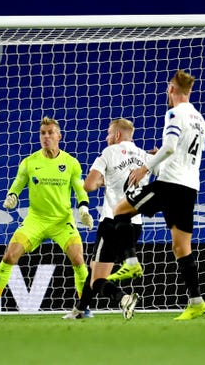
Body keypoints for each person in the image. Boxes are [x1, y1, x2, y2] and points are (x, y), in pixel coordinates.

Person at [0, 116, 94, 319]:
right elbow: (18, 182)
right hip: (35, 220)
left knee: (79, 260)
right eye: (42, 133)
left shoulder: (71, 163)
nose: (46, 137)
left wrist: (84, 209)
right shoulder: (29, 162)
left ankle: (83, 308)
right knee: (9, 256)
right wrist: (12, 195)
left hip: (62, 222)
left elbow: (80, 190)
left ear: (59, 136)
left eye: (50, 133)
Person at [113, 70, 205, 320]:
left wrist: (146, 166)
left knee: (121, 210)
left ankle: (131, 262)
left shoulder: (174, 113)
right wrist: (159, 158)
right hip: (189, 186)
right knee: (181, 247)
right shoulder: (200, 118)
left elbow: (170, 146)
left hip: (170, 184)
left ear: (171, 89)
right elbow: (187, 153)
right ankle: (196, 301)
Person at [62, 118, 146, 320]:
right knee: (95, 269)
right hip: (135, 225)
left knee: (97, 279)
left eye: (109, 133)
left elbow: (88, 186)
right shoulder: (144, 156)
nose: (106, 137)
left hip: (112, 223)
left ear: (117, 135)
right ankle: (79, 310)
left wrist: (101, 181)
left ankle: (122, 298)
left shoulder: (109, 153)